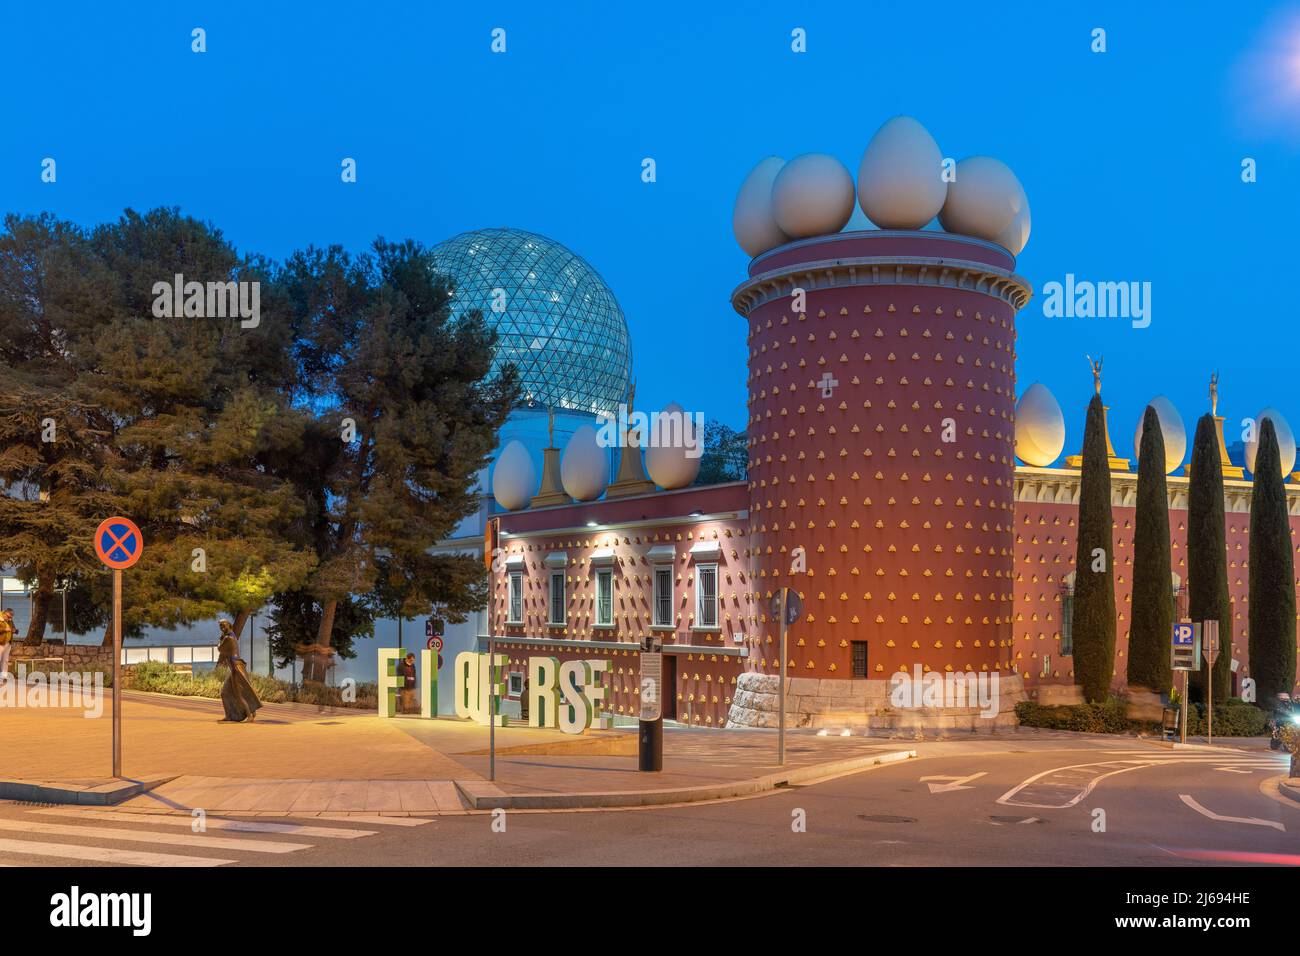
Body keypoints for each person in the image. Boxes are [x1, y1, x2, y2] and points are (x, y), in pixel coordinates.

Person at [216, 619, 262, 723]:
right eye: (220, 626)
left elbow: (220, 649)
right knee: (225, 692)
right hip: (234, 668)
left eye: (224, 625)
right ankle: (230, 716)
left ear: (229, 625)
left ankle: (249, 715)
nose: (222, 627)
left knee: (239, 694)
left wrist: (220, 640)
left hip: (236, 668)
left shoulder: (229, 638)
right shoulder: (230, 636)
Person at [0, 610, 14, 682]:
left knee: (5, 660)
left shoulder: (10, 620)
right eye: (8, 617)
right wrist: (4, 629)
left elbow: (12, 627)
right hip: (0, 643)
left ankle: (3, 676)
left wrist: (14, 630)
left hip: (8, 643)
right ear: (4, 613)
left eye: (10, 618)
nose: (9, 619)